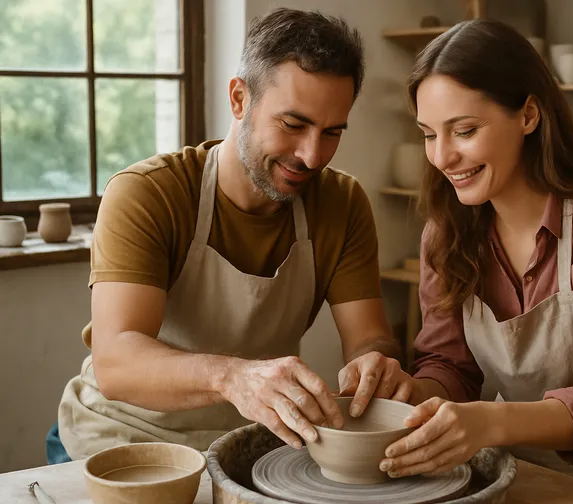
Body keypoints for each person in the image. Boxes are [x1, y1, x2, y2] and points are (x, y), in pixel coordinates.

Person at [47, 8, 411, 464]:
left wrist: (376, 363)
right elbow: (116, 363)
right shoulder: (147, 193)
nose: (312, 155)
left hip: (245, 445)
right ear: (239, 99)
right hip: (120, 437)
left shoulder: (342, 202)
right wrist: (231, 377)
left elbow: (369, 339)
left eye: (332, 132)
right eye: (293, 125)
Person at [377, 20, 573, 492]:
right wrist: (407, 393)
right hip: (518, 465)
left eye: (464, 130)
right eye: (428, 134)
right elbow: (452, 368)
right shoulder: (446, 234)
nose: (442, 157)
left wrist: (486, 423)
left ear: (528, 115)